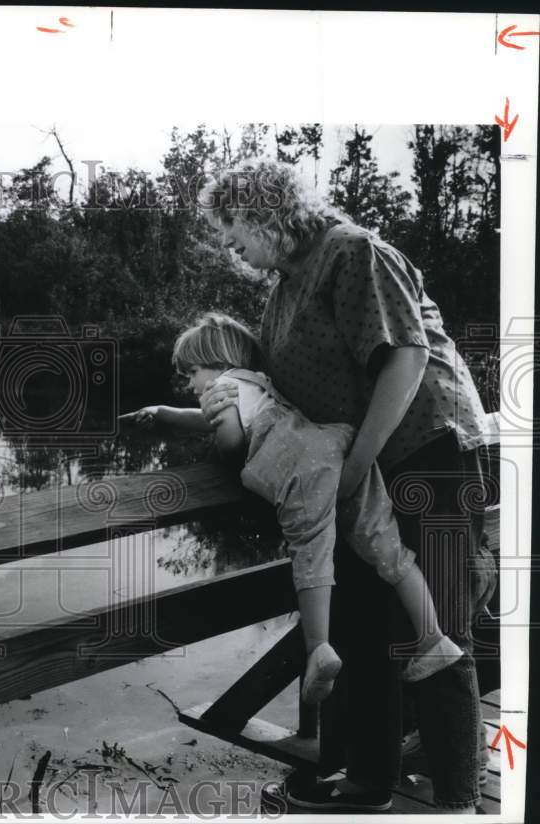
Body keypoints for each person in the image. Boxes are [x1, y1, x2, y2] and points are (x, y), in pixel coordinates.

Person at [194, 160, 494, 814]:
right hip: (354, 476)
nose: (229, 244)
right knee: (360, 627)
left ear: (266, 210)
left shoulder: (351, 252)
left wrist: (357, 464)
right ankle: (367, 785)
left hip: (424, 455)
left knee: (436, 629)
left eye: (233, 226)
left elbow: (407, 359)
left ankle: (456, 804)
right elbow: (268, 398)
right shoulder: (284, 286)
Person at [120, 314, 464, 713]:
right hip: (334, 444)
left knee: (311, 552)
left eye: (192, 373)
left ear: (215, 362)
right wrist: (164, 412)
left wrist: (219, 439)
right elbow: (208, 419)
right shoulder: (253, 384)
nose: (190, 384)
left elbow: (230, 441)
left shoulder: (222, 389)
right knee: (384, 544)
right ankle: (433, 637)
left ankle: (319, 647)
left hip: (299, 468)